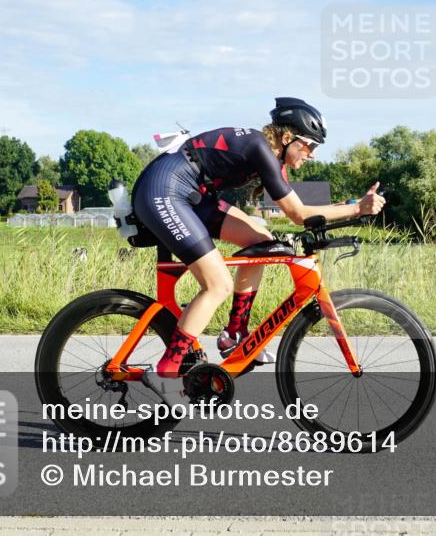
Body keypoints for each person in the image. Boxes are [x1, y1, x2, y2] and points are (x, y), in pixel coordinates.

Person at [130, 97, 385, 391]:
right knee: (218, 285)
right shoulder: (259, 148)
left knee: (262, 241)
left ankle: (234, 333)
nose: (312, 155)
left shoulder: (270, 156)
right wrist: (357, 209)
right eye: (310, 145)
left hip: (193, 195)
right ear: (288, 138)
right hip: (165, 190)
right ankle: (167, 371)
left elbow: (300, 210)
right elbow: (298, 214)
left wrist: (353, 204)